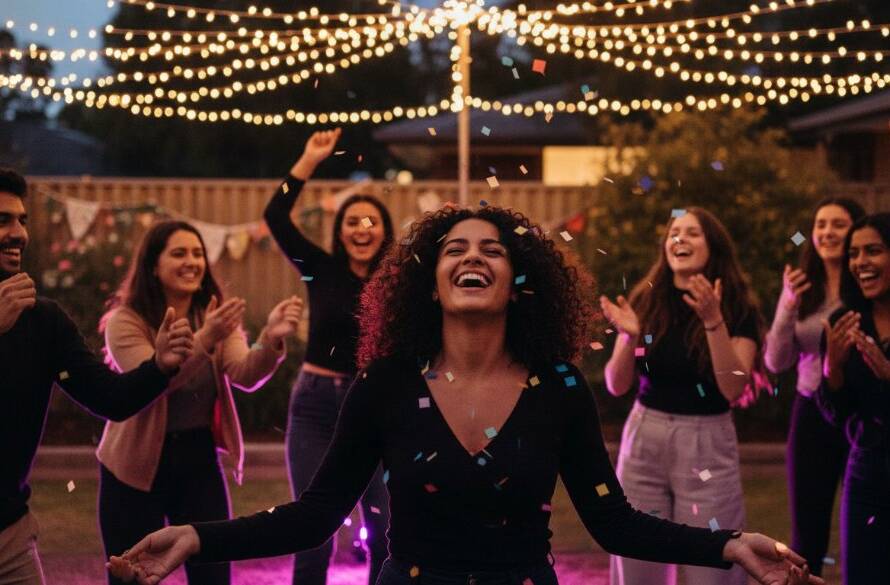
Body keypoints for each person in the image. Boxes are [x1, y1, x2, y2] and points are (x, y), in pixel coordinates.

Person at [109, 205, 820, 585]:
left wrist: (730, 544)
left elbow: (616, 524)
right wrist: (200, 535)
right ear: (430, 280)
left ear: (520, 279)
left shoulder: (560, 388)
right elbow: (316, 514)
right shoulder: (385, 383)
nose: (472, 256)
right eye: (454, 248)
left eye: (492, 248)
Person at [0, 169, 194, 585]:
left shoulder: (42, 320)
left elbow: (111, 399)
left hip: (10, 535)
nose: (18, 233)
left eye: (21, 220)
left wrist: (158, 366)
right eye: (3, 220)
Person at [96, 220, 302, 585]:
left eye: (197, 253)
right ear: (153, 266)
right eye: (179, 253)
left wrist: (270, 338)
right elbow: (152, 382)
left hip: (197, 458)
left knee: (213, 573)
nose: (192, 261)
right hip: (133, 465)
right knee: (130, 575)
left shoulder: (214, 316)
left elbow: (245, 372)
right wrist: (206, 336)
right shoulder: (125, 321)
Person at [600, 207, 769, 585]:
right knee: (637, 558)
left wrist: (713, 319)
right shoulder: (647, 300)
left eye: (692, 233)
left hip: (706, 444)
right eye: (674, 232)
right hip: (645, 437)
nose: (680, 239)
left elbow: (732, 387)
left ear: (713, 246)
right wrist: (629, 336)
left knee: (711, 567)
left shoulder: (736, 306)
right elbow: (615, 384)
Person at [263, 129, 394, 585]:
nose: (362, 229)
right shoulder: (321, 269)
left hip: (375, 409)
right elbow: (274, 214)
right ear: (340, 231)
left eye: (371, 221)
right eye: (352, 221)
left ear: (385, 231)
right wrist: (307, 161)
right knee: (312, 530)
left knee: (385, 530)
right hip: (316, 406)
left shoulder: (399, 282)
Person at [764, 197, 864, 575]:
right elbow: (776, 361)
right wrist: (788, 303)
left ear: (856, 228)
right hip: (811, 413)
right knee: (808, 531)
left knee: (866, 522)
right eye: (821, 224)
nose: (827, 232)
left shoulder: (867, 287)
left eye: (838, 224)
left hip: (861, 413)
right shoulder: (803, 289)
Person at [819, 212, 890, 585]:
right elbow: (836, 415)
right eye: (854, 253)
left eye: (873, 251)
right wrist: (834, 370)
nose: (861, 262)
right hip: (868, 476)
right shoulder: (845, 323)